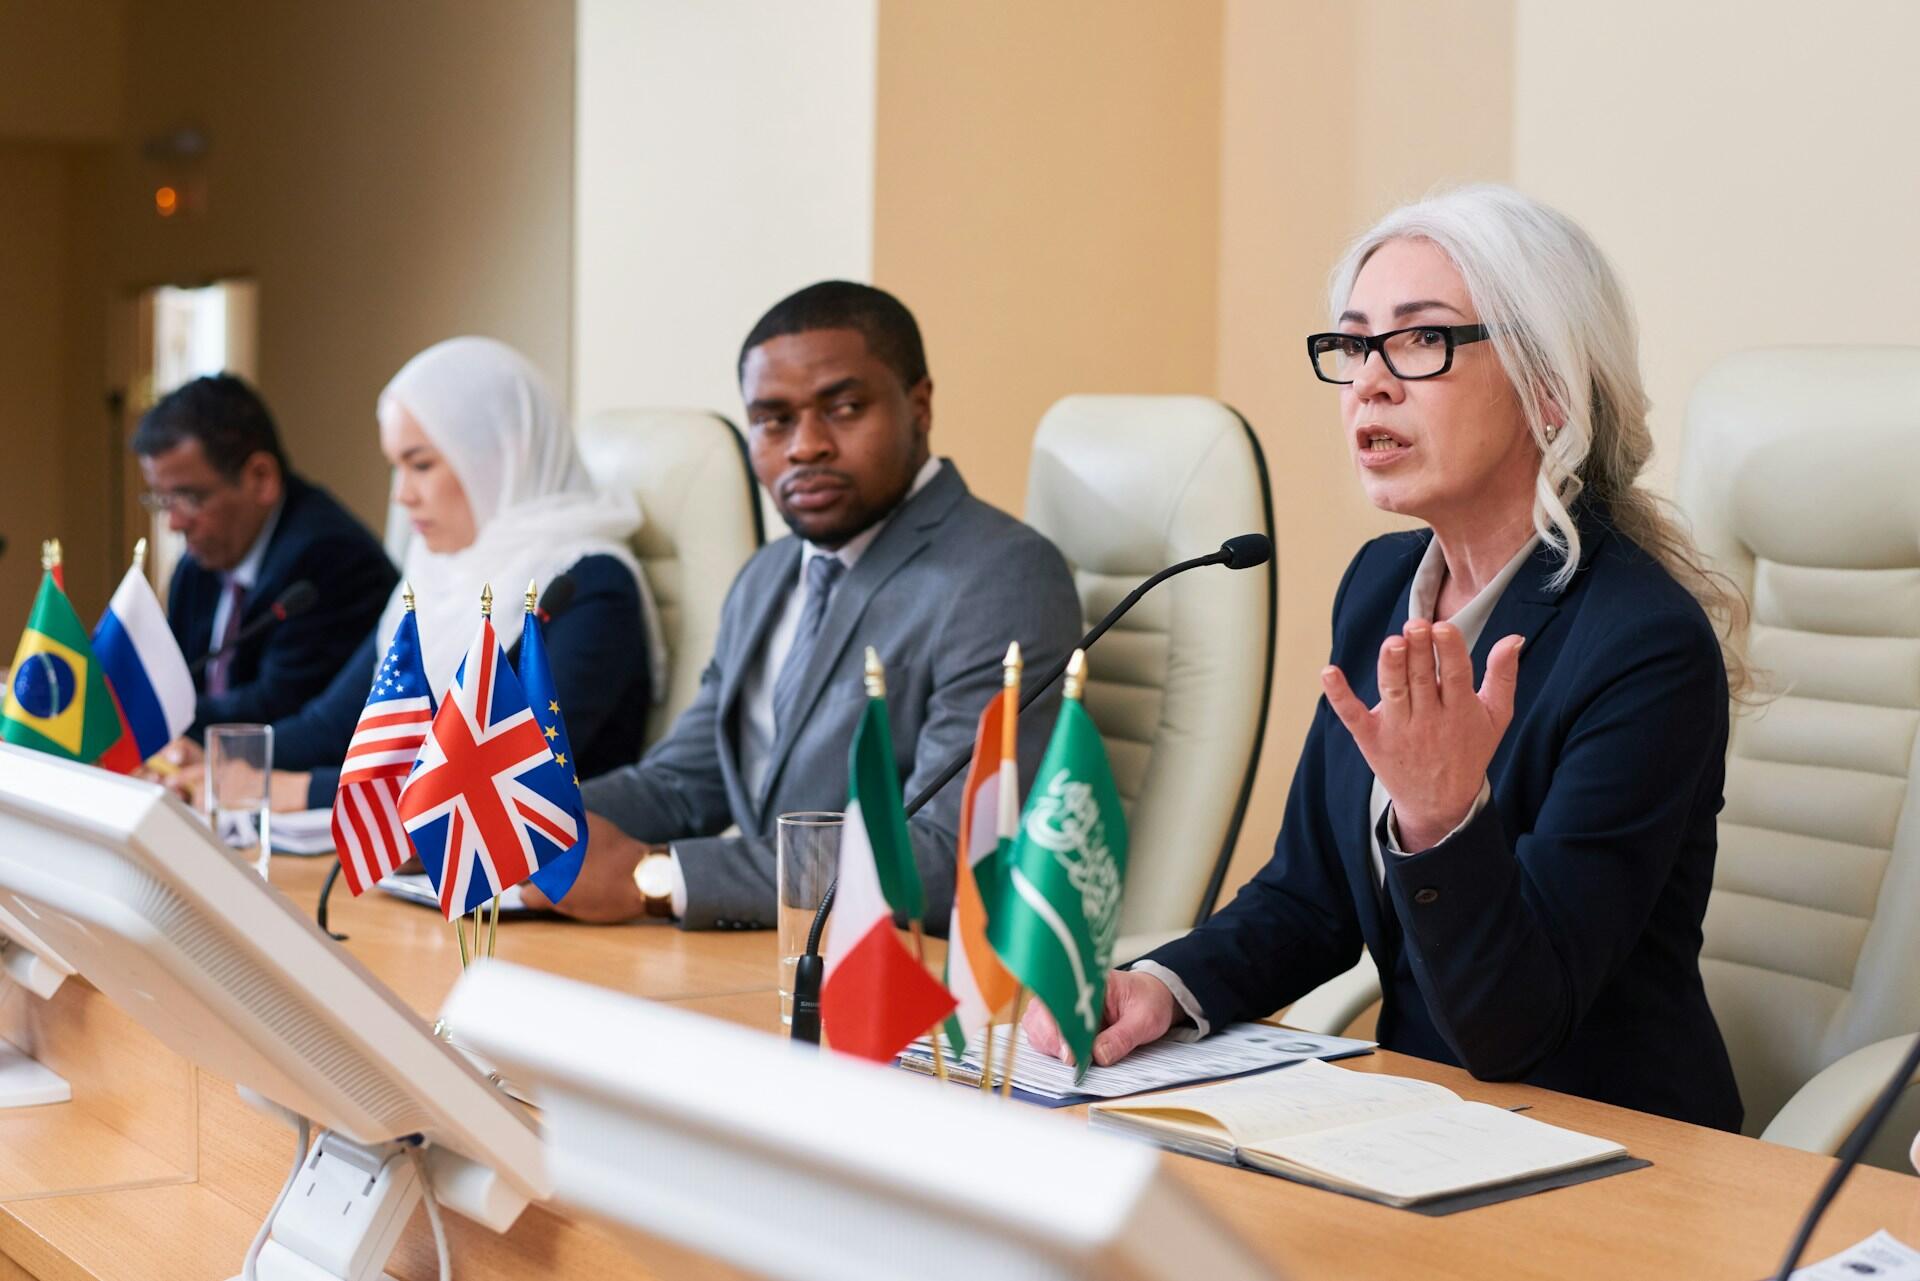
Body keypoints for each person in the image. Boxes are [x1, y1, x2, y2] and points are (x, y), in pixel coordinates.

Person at [1026, 185, 1748, 1131]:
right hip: (1414, 1125)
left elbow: (1518, 1026)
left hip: (1612, 1145)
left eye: (1421, 339)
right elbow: (1310, 894)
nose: (1369, 381)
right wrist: (1163, 984)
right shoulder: (1380, 585)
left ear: (1549, 385)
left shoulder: (1643, 644)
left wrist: (1443, 819)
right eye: (1354, 344)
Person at [523, 281, 1082, 931]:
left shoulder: (1002, 575)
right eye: (773, 419)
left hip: (904, 969)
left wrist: (659, 877)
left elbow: (945, 852)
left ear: (920, 405)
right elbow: (683, 784)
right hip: (773, 950)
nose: (805, 445)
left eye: (844, 408)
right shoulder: (768, 574)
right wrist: (511, 818)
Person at [248, 337, 660, 809]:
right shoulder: (434, 573)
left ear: (502, 454)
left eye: (421, 464)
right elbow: (334, 725)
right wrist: (224, 758)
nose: (402, 495)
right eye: (396, 467)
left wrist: (297, 789)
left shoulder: (587, 586)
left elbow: (500, 774)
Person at [135, 375, 398, 733]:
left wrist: (146, 717)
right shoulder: (198, 564)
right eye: (163, 501)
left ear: (261, 478)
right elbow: (177, 679)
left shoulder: (333, 559)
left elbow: (278, 709)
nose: (174, 523)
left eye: (189, 498)